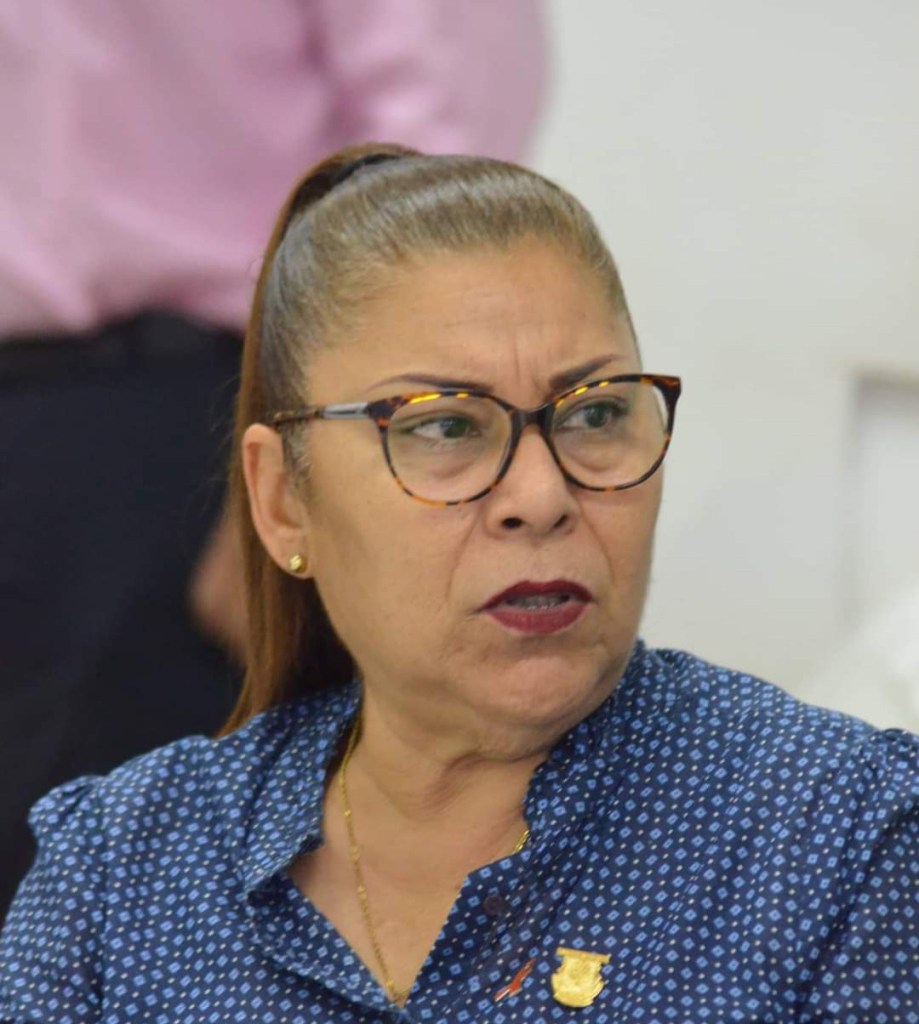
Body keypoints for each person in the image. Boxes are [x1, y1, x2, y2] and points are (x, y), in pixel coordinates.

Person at [1, 145, 916, 1023]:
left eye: (596, 414)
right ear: (281, 502)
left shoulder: (833, 838)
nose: (541, 497)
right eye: (443, 427)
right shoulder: (120, 878)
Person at [0, 1, 545, 918]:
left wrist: (301, 470)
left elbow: (440, 145)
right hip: (49, 427)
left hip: (200, 424)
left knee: (115, 913)